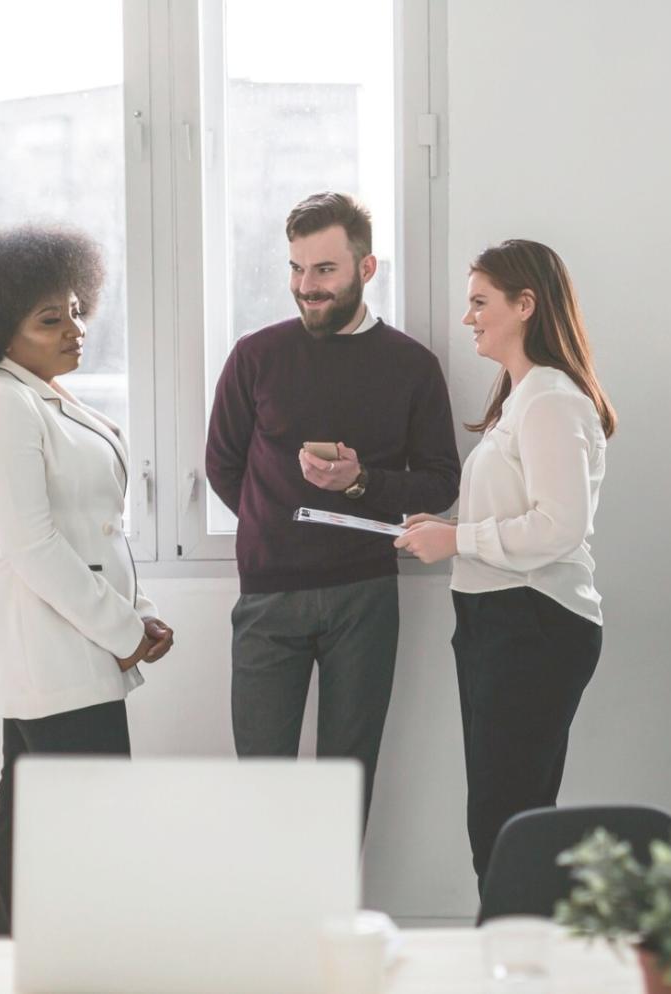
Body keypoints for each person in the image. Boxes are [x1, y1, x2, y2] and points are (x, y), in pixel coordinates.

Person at [0, 224, 175, 936]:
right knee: (80, 820)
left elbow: (96, 528)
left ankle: (19, 958)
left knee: (32, 808)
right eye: (49, 319)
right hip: (46, 642)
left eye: (76, 310)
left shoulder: (44, 395)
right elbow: (31, 546)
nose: (74, 329)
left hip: (74, 639)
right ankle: (58, 958)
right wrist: (123, 630)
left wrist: (139, 611)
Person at [205, 192, 460, 829]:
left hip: (363, 596)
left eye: (324, 270)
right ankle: (267, 899)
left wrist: (360, 483)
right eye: (296, 268)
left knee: (348, 782)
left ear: (365, 269)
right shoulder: (256, 356)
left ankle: (335, 899)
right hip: (268, 597)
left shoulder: (412, 366)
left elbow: (440, 484)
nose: (306, 287)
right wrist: (271, 525)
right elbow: (223, 466)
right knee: (260, 787)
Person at [394, 240, 614, 887]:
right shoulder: (523, 397)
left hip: (532, 624)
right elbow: (520, 511)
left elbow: (558, 527)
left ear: (525, 305)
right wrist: (448, 529)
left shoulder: (549, 399)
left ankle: (515, 942)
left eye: (480, 302)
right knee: (501, 820)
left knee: (505, 822)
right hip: (502, 621)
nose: (468, 318)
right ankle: (517, 938)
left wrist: (458, 540)